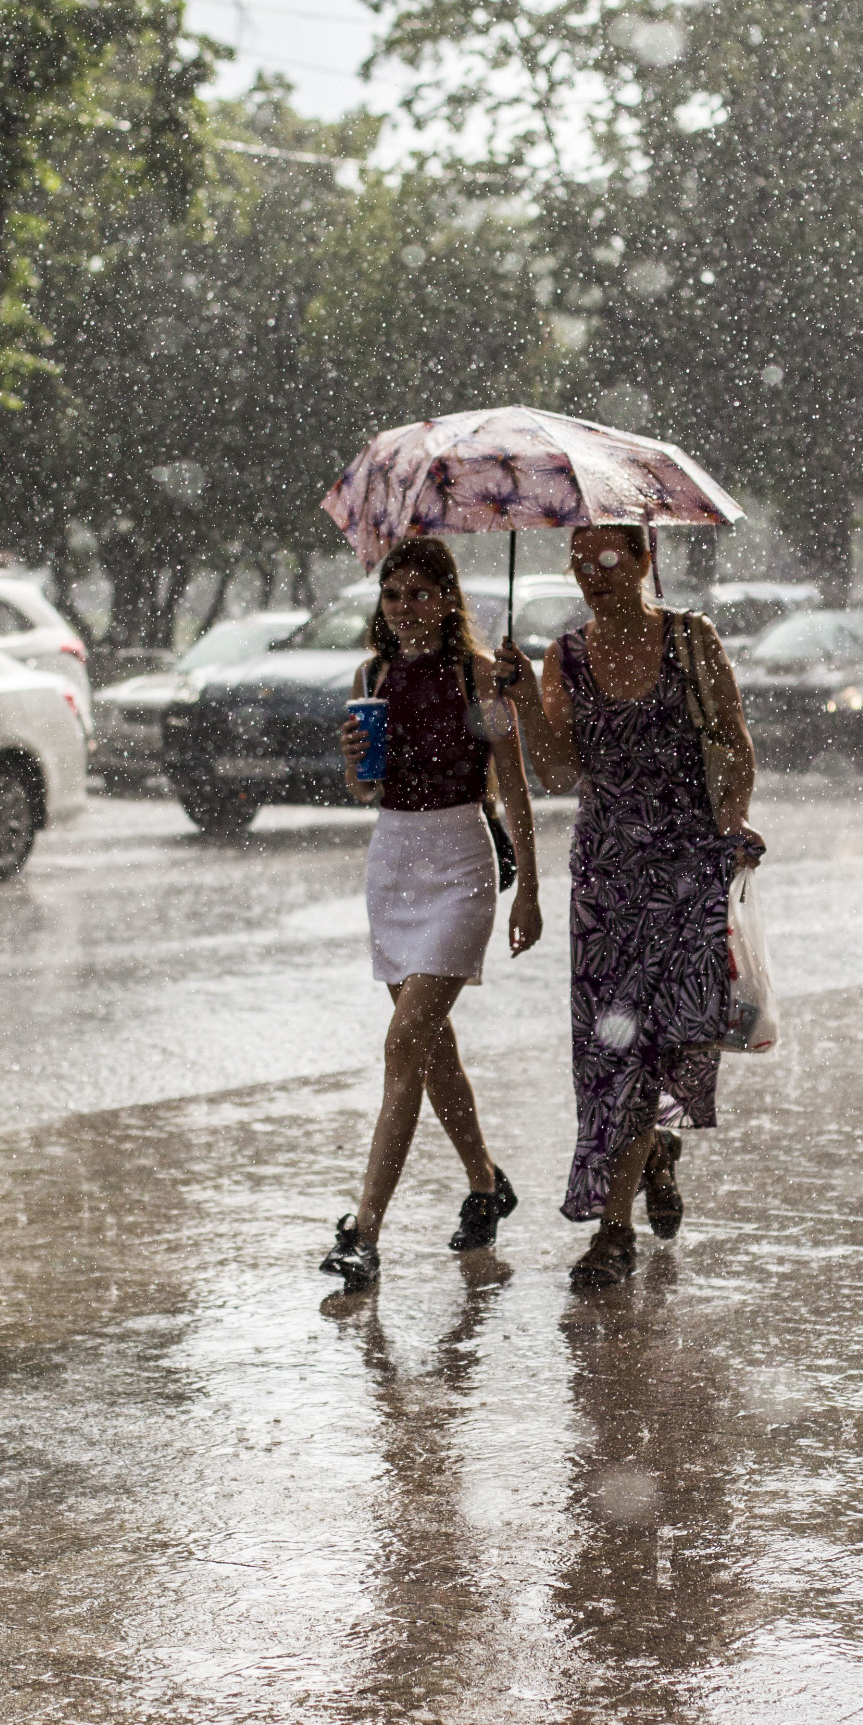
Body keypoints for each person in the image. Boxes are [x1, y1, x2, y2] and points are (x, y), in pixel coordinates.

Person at [503, 522, 762, 1290]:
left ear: (647, 559)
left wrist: (731, 822)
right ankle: (625, 1207)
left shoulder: (691, 639)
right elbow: (556, 771)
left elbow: (734, 740)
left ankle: (628, 1197)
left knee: (658, 1044)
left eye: (610, 559)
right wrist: (521, 702)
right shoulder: (565, 656)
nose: (593, 574)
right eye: (579, 563)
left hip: (685, 874)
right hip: (608, 882)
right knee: (611, 1053)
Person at [320, 539, 544, 1293]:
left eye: (420, 592)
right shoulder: (371, 678)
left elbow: (514, 789)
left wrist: (532, 890)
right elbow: (363, 791)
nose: (405, 606)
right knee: (431, 1051)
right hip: (393, 863)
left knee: (404, 1041)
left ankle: (365, 1230)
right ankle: (486, 1183)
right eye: (393, 594)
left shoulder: (479, 676)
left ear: (449, 600)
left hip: (458, 864)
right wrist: (354, 761)